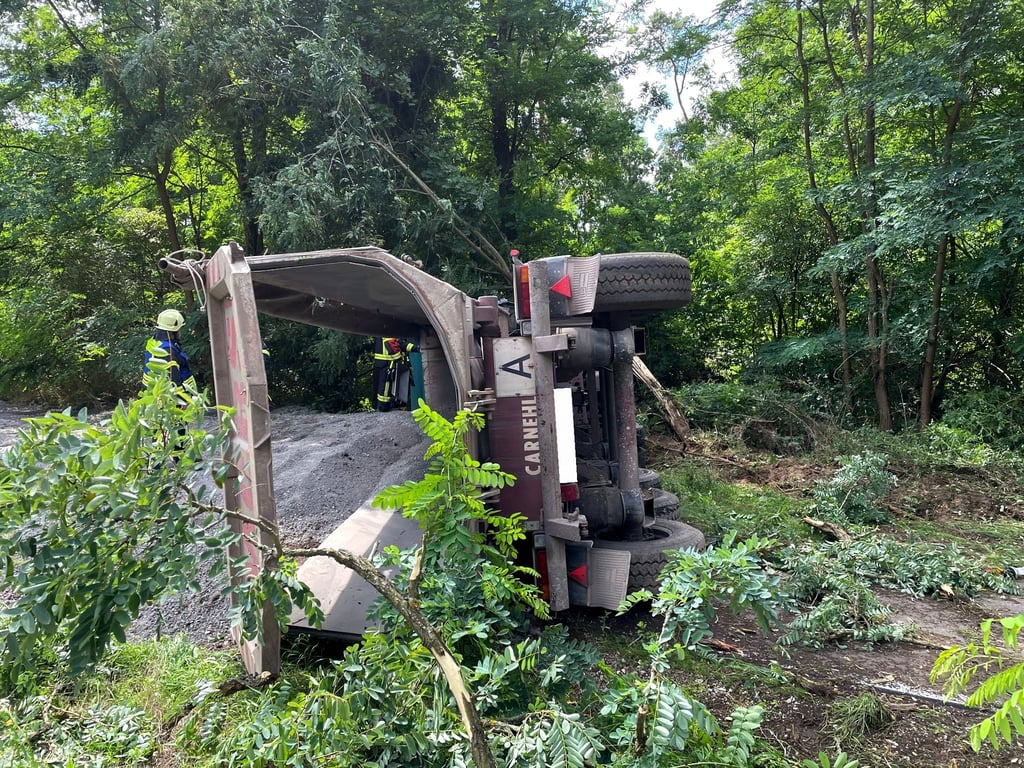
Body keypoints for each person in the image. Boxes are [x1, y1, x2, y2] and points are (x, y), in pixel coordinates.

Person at [143, 308, 196, 391]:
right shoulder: (168, 351)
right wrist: (183, 401)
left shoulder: (155, 342)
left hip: (153, 393)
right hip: (172, 398)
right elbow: (174, 380)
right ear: (174, 331)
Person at [373, 336, 417, 411]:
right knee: (386, 385)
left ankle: (388, 405)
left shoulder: (382, 331)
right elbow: (393, 347)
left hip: (385, 363)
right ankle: (383, 406)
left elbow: (399, 344)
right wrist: (401, 359)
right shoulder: (387, 332)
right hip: (387, 363)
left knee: (388, 385)